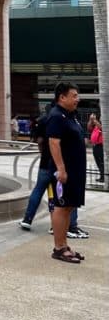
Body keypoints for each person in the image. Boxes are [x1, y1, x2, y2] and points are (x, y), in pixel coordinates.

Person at [19, 107, 88, 239]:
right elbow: (57, 142)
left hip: (45, 164)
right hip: (59, 165)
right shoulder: (64, 119)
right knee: (66, 198)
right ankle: (70, 226)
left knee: (39, 191)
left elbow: (39, 140)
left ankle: (28, 219)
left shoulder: (45, 119)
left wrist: (43, 153)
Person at [46, 81, 87, 264]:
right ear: (62, 97)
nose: (77, 99)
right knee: (61, 207)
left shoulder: (71, 115)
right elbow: (53, 143)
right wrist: (61, 169)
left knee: (69, 206)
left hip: (75, 170)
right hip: (64, 172)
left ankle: (64, 244)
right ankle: (59, 248)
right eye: (74, 95)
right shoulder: (56, 116)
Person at [89, 115, 104, 183]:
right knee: (98, 161)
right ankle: (102, 176)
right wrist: (90, 120)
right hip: (95, 146)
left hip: (100, 146)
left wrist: (94, 120)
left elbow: (101, 128)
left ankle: (103, 177)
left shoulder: (104, 125)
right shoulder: (96, 126)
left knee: (101, 162)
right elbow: (89, 128)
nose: (101, 118)